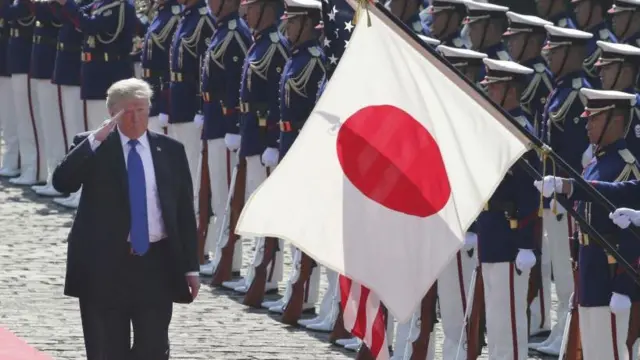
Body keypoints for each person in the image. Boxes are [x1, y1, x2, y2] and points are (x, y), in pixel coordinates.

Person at [51, 78, 200, 360]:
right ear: (112, 113)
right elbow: (63, 182)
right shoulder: (93, 147)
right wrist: (95, 139)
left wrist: (190, 267)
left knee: (154, 348)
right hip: (105, 266)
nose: (135, 118)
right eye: (127, 111)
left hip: (155, 263)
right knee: (107, 350)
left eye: (141, 110)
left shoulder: (169, 150)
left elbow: (182, 212)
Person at [534, 88, 640, 360]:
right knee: (592, 351)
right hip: (589, 270)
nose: (587, 125)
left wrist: (624, 288)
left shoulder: (627, 166)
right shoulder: (597, 162)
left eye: (594, 119)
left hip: (610, 276)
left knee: (612, 351)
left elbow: (632, 232)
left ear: (615, 121)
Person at [476, 57, 540, 360]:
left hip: (510, 235)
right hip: (491, 229)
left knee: (510, 321)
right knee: (496, 319)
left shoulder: (520, 131)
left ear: (510, 91)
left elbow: (531, 194)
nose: (488, 92)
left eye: (494, 87)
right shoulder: (499, 127)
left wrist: (526, 244)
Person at [141, 0, 182, 134]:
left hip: (161, 98)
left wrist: (164, 106)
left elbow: (170, 66)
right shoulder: (161, 13)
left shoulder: (174, 17)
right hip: (152, 95)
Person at [571, 0, 617, 88]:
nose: (576, 10)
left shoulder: (606, 44)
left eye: (580, 5)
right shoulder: (581, 38)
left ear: (596, 7)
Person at [462, 1, 511, 80]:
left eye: (474, 28)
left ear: (490, 30)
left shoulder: (500, 66)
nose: (469, 34)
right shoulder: (475, 55)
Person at [0, 5, 19, 178]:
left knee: (12, 116)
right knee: (6, 119)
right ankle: (10, 160)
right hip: (6, 61)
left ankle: (13, 160)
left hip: (9, 62)